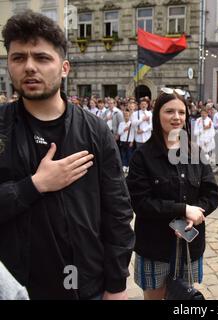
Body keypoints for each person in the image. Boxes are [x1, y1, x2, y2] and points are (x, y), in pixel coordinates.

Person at [0, 11, 134, 300]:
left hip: (84, 286)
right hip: (16, 287)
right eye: (19, 58)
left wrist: (117, 284)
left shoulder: (94, 130)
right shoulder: (1, 127)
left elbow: (118, 212)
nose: (29, 67)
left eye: (42, 58)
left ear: (64, 67)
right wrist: (34, 185)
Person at [126, 88, 218, 300]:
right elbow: (140, 202)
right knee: (155, 296)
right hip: (155, 245)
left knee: (183, 297)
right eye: (170, 111)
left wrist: (194, 214)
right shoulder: (142, 156)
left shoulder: (195, 152)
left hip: (189, 243)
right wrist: (182, 209)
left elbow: (212, 193)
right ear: (158, 114)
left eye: (181, 112)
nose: (176, 117)